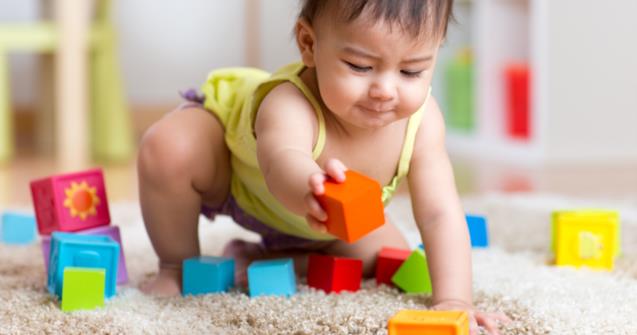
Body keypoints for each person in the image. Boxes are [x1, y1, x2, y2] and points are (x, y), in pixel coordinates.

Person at [137, 0, 510, 333]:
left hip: (327, 226)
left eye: (411, 72)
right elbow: (281, 159)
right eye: (361, 66)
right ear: (309, 44)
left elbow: (440, 213)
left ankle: (261, 259)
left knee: (384, 259)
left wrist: (456, 301)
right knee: (168, 147)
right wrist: (309, 185)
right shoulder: (290, 101)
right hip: (237, 179)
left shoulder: (423, 121)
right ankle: (176, 265)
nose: (385, 90)